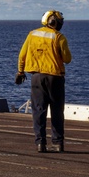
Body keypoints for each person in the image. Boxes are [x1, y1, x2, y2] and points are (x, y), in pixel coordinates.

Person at [16, 10, 72, 153]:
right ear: (56, 23)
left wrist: (20, 72)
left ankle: (40, 143)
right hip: (55, 78)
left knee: (39, 110)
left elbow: (22, 55)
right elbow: (67, 59)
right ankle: (58, 143)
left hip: (37, 78)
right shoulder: (59, 37)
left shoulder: (32, 35)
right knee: (57, 111)